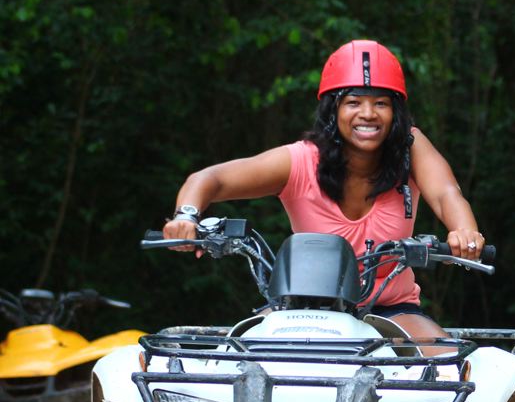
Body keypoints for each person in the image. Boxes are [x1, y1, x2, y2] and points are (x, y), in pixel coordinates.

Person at [162, 39, 484, 343]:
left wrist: (464, 232)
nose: (368, 114)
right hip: (301, 309)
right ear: (333, 110)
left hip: (392, 309)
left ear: (395, 112)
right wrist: (186, 216)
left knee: (451, 369)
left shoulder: (408, 149)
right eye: (353, 102)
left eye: (381, 103)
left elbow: (446, 193)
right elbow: (211, 179)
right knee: (236, 365)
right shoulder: (301, 161)